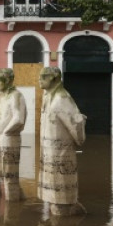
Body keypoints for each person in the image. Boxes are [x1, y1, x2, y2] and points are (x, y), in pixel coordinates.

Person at [37, 66, 86, 216]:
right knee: (53, 188)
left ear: (52, 78)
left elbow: (75, 122)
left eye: (42, 78)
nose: (39, 80)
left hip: (60, 151)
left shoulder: (62, 99)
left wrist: (80, 133)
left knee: (62, 195)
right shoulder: (48, 97)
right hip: (49, 150)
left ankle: (65, 213)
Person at [0, 68, 28, 201]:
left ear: (7, 81)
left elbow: (18, 119)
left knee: (9, 174)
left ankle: (11, 209)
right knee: (4, 173)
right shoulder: (4, 96)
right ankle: (18, 202)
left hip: (9, 138)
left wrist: (5, 132)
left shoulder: (16, 96)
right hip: (2, 138)